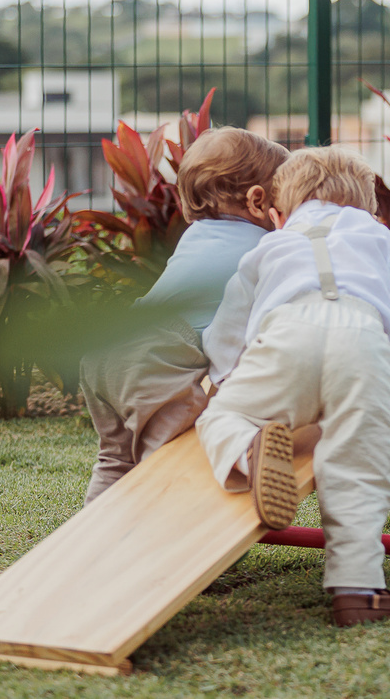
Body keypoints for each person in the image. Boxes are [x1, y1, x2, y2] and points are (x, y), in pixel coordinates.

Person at [194, 146, 390, 627]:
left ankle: (248, 450)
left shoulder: (271, 245)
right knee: (359, 463)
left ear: (278, 214)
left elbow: (227, 326)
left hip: (285, 338)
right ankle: (358, 592)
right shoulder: (375, 234)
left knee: (222, 417)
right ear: (368, 208)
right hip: (362, 342)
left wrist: (227, 379)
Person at [80, 127, 287, 504]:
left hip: (108, 346)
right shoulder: (267, 248)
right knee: (169, 459)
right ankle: (163, 535)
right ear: (258, 201)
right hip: (154, 354)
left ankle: (90, 533)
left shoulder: (195, 235)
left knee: (116, 459)